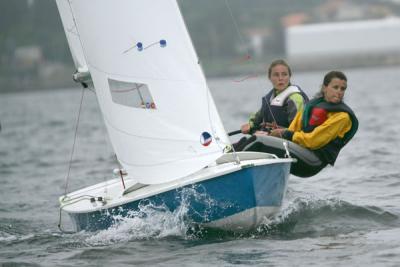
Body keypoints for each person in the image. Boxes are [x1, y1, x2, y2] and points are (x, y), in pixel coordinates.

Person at [269, 70, 358, 167]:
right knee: (259, 136)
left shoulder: (342, 117)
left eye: (342, 89)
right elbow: (293, 129)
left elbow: (313, 141)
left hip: (315, 160)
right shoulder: (312, 105)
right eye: (336, 87)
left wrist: (285, 133)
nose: (339, 92)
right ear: (324, 88)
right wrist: (277, 133)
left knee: (262, 143)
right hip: (301, 148)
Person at [233, 59, 309, 151]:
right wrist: (250, 125)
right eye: (276, 75)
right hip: (269, 139)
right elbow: (257, 118)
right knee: (241, 142)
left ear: (289, 76)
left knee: (254, 141)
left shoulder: (295, 98)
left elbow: (298, 129)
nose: (280, 78)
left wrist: (280, 131)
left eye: (284, 74)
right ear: (270, 77)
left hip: (290, 145)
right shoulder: (270, 98)